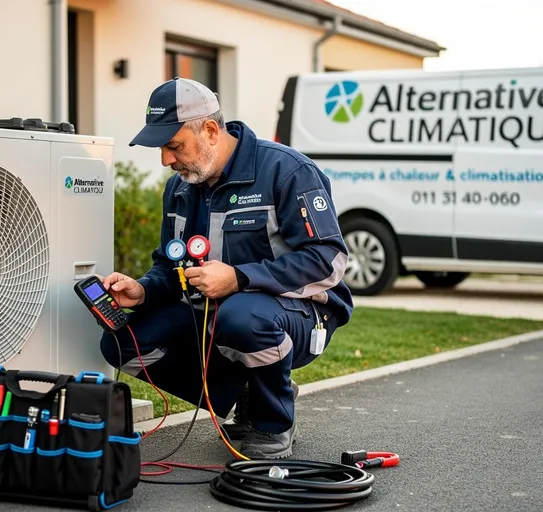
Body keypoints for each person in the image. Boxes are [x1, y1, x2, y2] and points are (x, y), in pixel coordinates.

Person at [97, 77, 354, 459]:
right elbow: (171, 265)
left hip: (300, 313)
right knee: (120, 342)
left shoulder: (286, 171)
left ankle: (273, 421)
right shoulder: (181, 187)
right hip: (214, 315)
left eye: (173, 146)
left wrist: (239, 278)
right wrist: (145, 290)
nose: (166, 160)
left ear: (211, 131)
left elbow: (328, 259)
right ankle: (245, 390)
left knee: (240, 317)